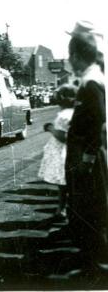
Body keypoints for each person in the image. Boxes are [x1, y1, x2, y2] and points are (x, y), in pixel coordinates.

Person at [65, 26, 108, 273]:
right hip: (83, 156)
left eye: (71, 56)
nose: (70, 61)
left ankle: (94, 263)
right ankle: (89, 258)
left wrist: (88, 158)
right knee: (84, 206)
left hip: (87, 158)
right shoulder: (90, 79)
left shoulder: (93, 82)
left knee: (91, 207)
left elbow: (97, 121)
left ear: (78, 56)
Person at [38, 84, 77, 218]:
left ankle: (63, 210)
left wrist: (50, 128)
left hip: (63, 152)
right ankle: (62, 209)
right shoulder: (73, 112)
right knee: (64, 184)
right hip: (67, 151)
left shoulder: (65, 115)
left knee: (64, 183)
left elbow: (64, 136)